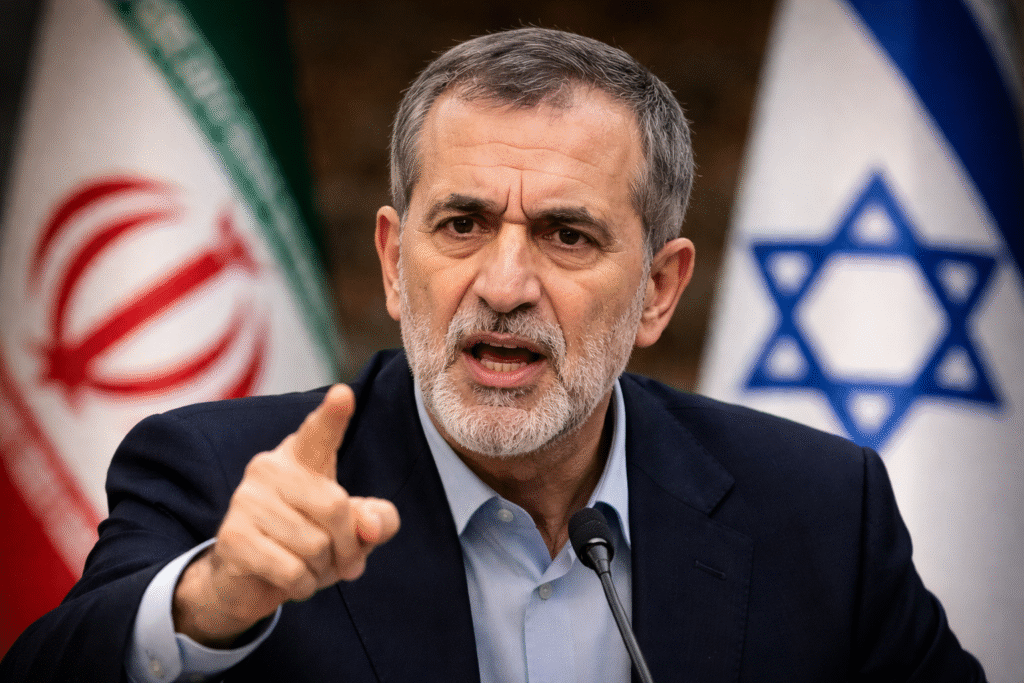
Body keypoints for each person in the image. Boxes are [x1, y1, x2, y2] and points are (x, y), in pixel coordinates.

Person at [1, 27, 985, 683]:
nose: (504, 283)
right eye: (462, 223)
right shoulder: (222, 475)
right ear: (394, 262)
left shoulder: (816, 505)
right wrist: (215, 595)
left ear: (659, 289)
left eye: (567, 234)